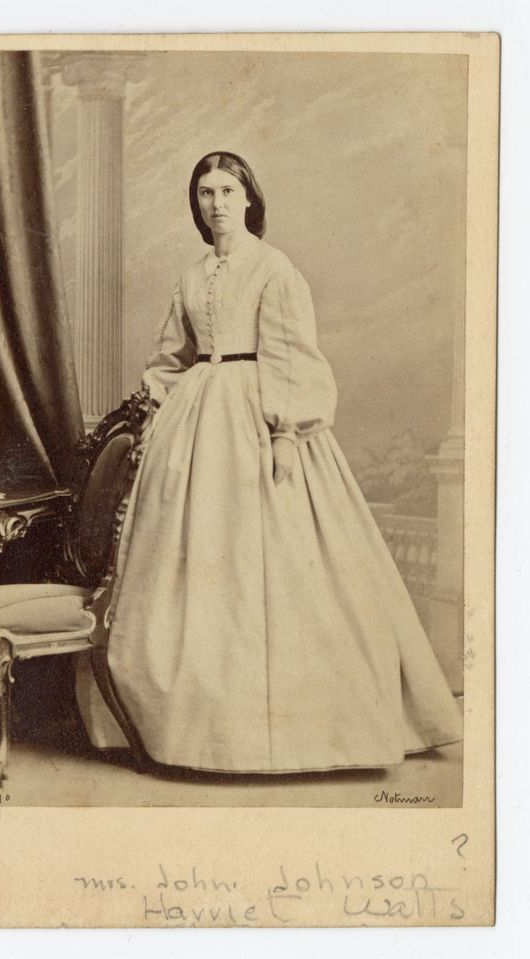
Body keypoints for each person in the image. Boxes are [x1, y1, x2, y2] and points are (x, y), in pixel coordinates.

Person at [76, 151, 462, 773]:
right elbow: (170, 359)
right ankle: (189, 727)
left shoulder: (274, 269)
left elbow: (293, 354)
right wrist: (157, 418)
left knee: (281, 560)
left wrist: (287, 433)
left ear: (250, 198)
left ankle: (302, 728)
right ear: (196, 204)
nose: (217, 203)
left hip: (260, 417)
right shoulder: (189, 274)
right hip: (196, 422)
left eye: (228, 190)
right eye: (205, 193)